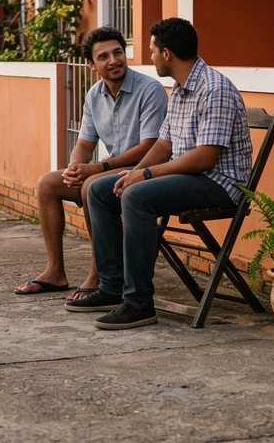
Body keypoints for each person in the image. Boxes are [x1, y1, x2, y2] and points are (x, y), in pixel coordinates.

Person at [68, 17, 252, 329]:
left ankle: (138, 303)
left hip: (218, 183)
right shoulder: (180, 90)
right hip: (188, 177)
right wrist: (134, 173)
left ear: (167, 53)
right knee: (99, 190)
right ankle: (111, 287)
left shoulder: (215, 89)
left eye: (153, 51)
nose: (150, 57)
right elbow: (164, 144)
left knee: (137, 196)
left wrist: (145, 176)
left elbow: (205, 158)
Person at [14, 26, 167, 301]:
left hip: (143, 171)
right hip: (110, 171)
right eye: (104, 56)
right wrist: (74, 168)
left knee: (92, 186)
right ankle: (55, 272)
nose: (113, 60)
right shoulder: (95, 94)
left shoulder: (150, 89)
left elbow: (150, 146)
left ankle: (99, 276)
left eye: (118, 52)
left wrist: (98, 168)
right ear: (92, 64)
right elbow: (85, 144)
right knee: (48, 183)